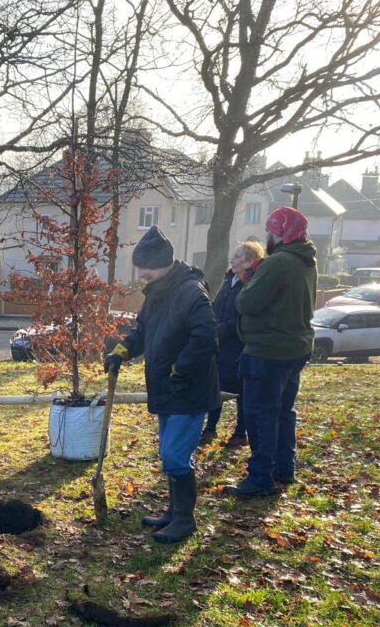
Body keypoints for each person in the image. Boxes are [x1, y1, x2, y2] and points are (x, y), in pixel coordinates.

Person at [103, 226, 219, 543]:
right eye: (139, 269)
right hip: (168, 389)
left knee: (175, 455)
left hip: (187, 389)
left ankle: (185, 520)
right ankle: (173, 511)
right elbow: (141, 331)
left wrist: (179, 368)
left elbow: (207, 337)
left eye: (146, 269)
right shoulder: (159, 293)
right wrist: (120, 351)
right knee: (169, 454)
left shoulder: (191, 292)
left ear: (164, 264)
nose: (141, 275)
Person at [230, 207, 317, 497]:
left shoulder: (276, 263)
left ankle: (260, 477)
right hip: (296, 347)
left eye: (270, 231)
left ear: (279, 233)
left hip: (268, 350)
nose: (267, 236)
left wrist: (247, 281)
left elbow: (246, 303)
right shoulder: (306, 261)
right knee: (282, 411)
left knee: (259, 414)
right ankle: (283, 467)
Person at [200, 240, 264, 447]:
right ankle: (210, 428)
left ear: (250, 261)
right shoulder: (229, 280)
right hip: (219, 346)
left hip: (239, 346)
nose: (232, 259)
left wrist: (224, 329)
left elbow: (247, 316)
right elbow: (217, 306)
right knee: (214, 386)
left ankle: (240, 433)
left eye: (237, 256)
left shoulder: (253, 284)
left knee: (241, 392)